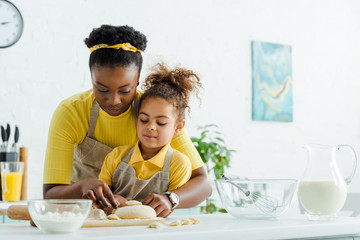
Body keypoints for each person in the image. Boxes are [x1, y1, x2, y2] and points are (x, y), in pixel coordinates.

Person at [43, 25, 212, 217]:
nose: (114, 100)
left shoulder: (153, 112)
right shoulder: (71, 113)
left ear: (138, 81)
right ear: (91, 79)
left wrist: (171, 198)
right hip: (85, 220)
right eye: (102, 89)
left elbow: (204, 183)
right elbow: (50, 194)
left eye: (125, 90)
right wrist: (82, 187)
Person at [99, 63, 202, 217]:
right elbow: (102, 199)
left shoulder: (179, 164)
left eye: (161, 123)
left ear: (178, 128)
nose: (151, 127)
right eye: (144, 120)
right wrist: (109, 201)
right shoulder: (116, 156)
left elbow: (170, 209)